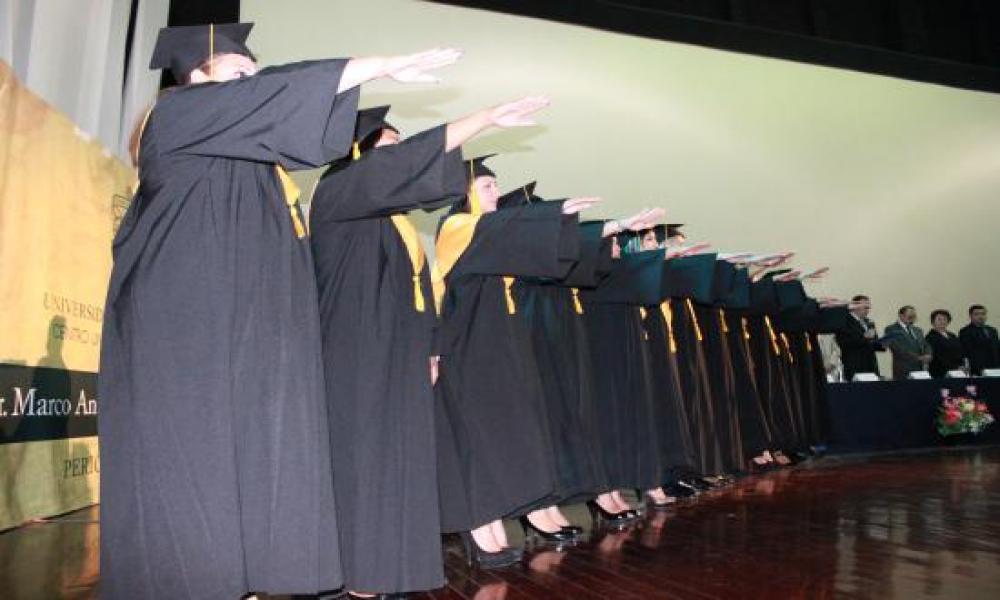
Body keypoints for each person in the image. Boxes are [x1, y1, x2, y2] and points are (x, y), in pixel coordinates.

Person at [98, 21, 461, 599]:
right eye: (236, 69)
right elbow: (270, 97)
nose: (251, 76)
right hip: (181, 329)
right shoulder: (177, 119)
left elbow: (318, 142)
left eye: (252, 69)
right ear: (196, 76)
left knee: (247, 460)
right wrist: (373, 64)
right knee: (191, 463)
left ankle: (238, 582)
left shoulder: (252, 168)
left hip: (239, 333)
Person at [309, 99, 548, 598]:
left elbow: (418, 289)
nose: (405, 159)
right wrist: (479, 120)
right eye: (393, 148)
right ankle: (353, 576)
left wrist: (431, 349)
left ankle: (385, 567)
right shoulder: (339, 193)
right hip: (355, 355)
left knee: (400, 461)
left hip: (398, 355)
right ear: (359, 152)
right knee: (362, 462)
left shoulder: (395, 225)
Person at [433, 155, 598, 567]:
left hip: (498, 347)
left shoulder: (488, 231)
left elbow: (535, 259)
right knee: (476, 437)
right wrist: (549, 212)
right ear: (465, 192)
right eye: (487, 186)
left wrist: (575, 224)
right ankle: (478, 529)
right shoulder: (456, 227)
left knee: (503, 433)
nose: (495, 193)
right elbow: (499, 234)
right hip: (468, 349)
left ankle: (502, 521)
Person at [834, 294, 885, 380]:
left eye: (868, 307)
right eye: (865, 307)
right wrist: (864, 337)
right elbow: (844, 343)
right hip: (854, 364)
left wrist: (882, 345)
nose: (867, 310)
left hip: (871, 364)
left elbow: (872, 342)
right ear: (854, 307)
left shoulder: (869, 322)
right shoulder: (845, 321)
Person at [882, 306, 933, 380]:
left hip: (920, 369)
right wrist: (918, 358)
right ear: (901, 315)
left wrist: (928, 354)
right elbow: (896, 348)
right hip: (903, 369)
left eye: (914, 315)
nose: (912, 317)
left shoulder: (918, 330)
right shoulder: (891, 329)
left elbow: (926, 345)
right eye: (909, 315)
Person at [959, 305, 1000, 375]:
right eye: (976, 314)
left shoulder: (992, 330)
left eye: (983, 314)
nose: (980, 316)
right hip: (978, 370)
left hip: (995, 369)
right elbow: (969, 353)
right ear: (970, 316)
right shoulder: (965, 331)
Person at [925, 309, 965, 378]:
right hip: (940, 372)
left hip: (957, 372)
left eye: (944, 319)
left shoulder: (952, 335)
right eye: (939, 319)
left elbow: (960, 351)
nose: (942, 322)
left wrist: (961, 365)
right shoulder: (930, 337)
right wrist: (954, 367)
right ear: (933, 322)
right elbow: (936, 356)